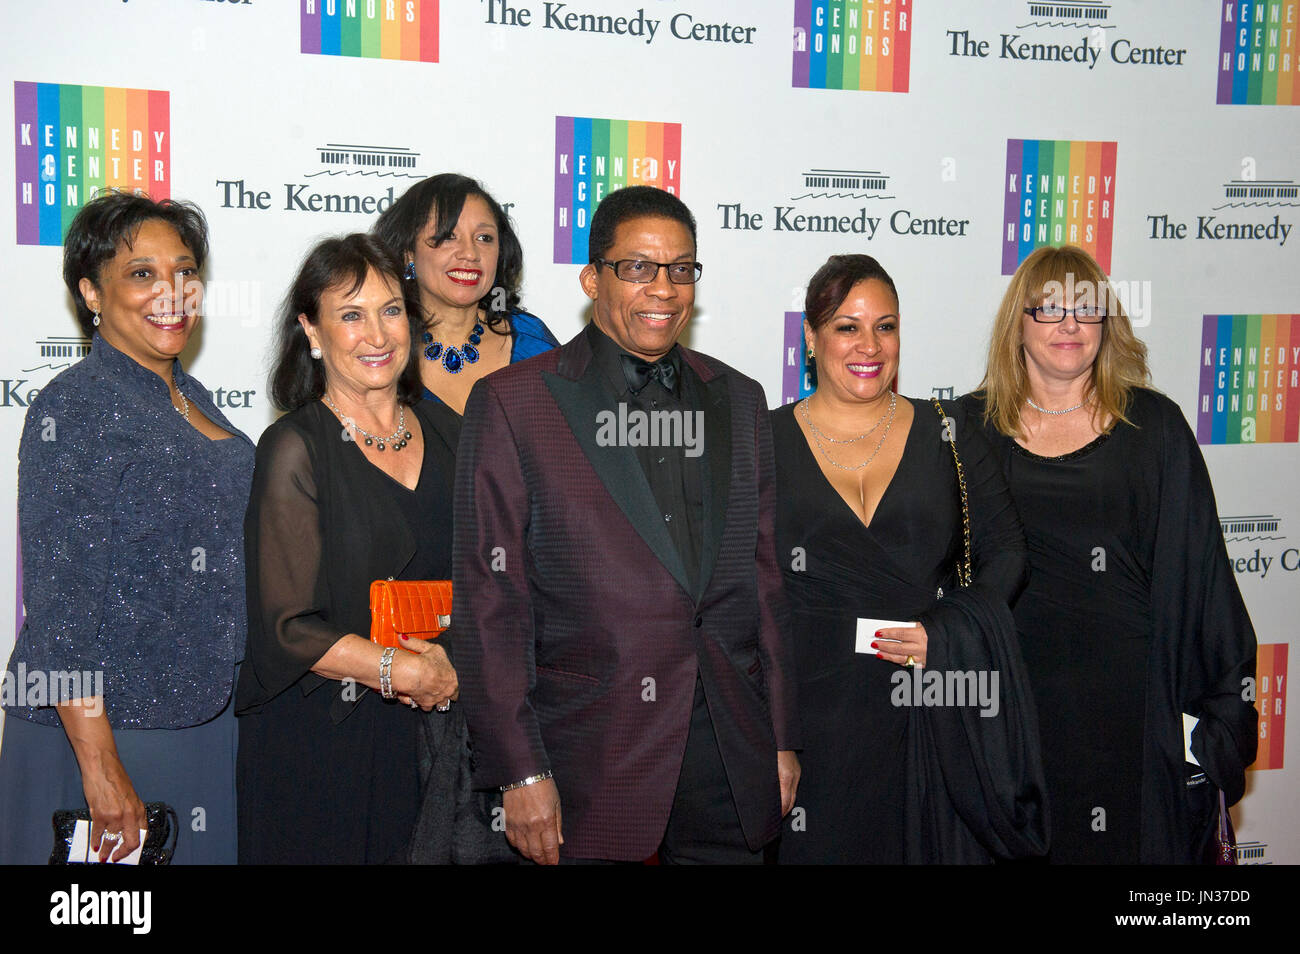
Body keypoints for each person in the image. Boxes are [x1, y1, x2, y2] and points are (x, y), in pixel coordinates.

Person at [453, 186, 799, 864]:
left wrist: (781, 737)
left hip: (728, 752)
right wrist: (520, 770)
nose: (663, 288)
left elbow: (765, 586)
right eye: (638, 267)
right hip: (588, 758)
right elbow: (491, 606)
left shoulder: (740, 398)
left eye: (681, 269)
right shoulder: (515, 403)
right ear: (592, 279)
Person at [961, 245, 1258, 864]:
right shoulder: (969, 430)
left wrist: (1213, 726)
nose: (1069, 324)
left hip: (1128, 714)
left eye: (1086, 308)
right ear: (1019, 323)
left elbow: (1202, 578)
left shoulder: (1154, 427)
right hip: (1010, 712)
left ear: (1107, 322)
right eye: (1049, 308)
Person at [0, 191, 253, 864]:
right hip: (105, 731)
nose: (169, 291)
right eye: (141, 273)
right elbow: (58, 606)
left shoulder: (189, 396)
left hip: (200, 718)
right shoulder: (77, 406)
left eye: (183, 270)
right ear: (90, 291)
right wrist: (101, 764)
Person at [773, 254, 1047, 864]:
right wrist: (770, 737)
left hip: (931, 704)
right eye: (847, 326)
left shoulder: (949, 430)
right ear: (812, 340)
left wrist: (949, 633)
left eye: (886, 326)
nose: (869, 344)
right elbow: (744, 594)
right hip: (815, 717)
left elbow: (1007, 552)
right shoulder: (764, 441)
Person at [235, 234, 496, 864]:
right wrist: (395, 668)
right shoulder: (295, 447)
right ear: (313, 332)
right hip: (323, 741)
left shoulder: (457, 433)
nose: (377, 335)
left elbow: (499, 579)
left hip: (441, 735)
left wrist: (453, 661)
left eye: (391, 310)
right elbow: (286, 627)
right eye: (350, 315)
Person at [372, 173, 559, 413]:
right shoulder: (377, 345)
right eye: (448, 236)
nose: (470, 253)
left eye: (484, 238)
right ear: (409, 252)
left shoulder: (531, 341)